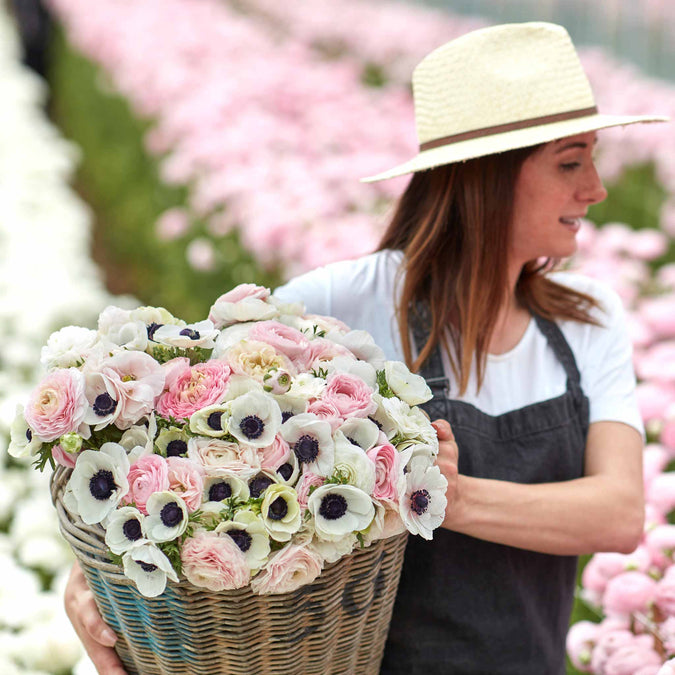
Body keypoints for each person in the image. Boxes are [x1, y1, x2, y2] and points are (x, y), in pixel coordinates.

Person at [64, 21, 666, 675]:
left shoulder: (586, 320)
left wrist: (452, 498)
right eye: (570, 162)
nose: (596, 188)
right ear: (485, 177)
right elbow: (171, 426)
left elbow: (616, 512)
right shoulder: (342, 304)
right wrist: (91, 573)